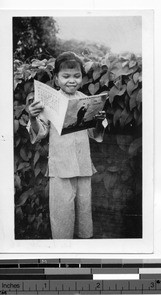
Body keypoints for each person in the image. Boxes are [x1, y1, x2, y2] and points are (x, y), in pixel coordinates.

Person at [27, 51, 106, 239]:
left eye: (77, 76)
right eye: (66, 76)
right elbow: (41, 132)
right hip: (60, 168)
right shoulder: (50, 102)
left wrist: (98, 121)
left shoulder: (86, 100)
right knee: (61, 215)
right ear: (56, 79)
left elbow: (95, 135)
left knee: (84, 213)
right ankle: (62, 254)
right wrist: (32, 116)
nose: (72, 80)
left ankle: (83, 253)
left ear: (82, 78)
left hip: (83, 166)